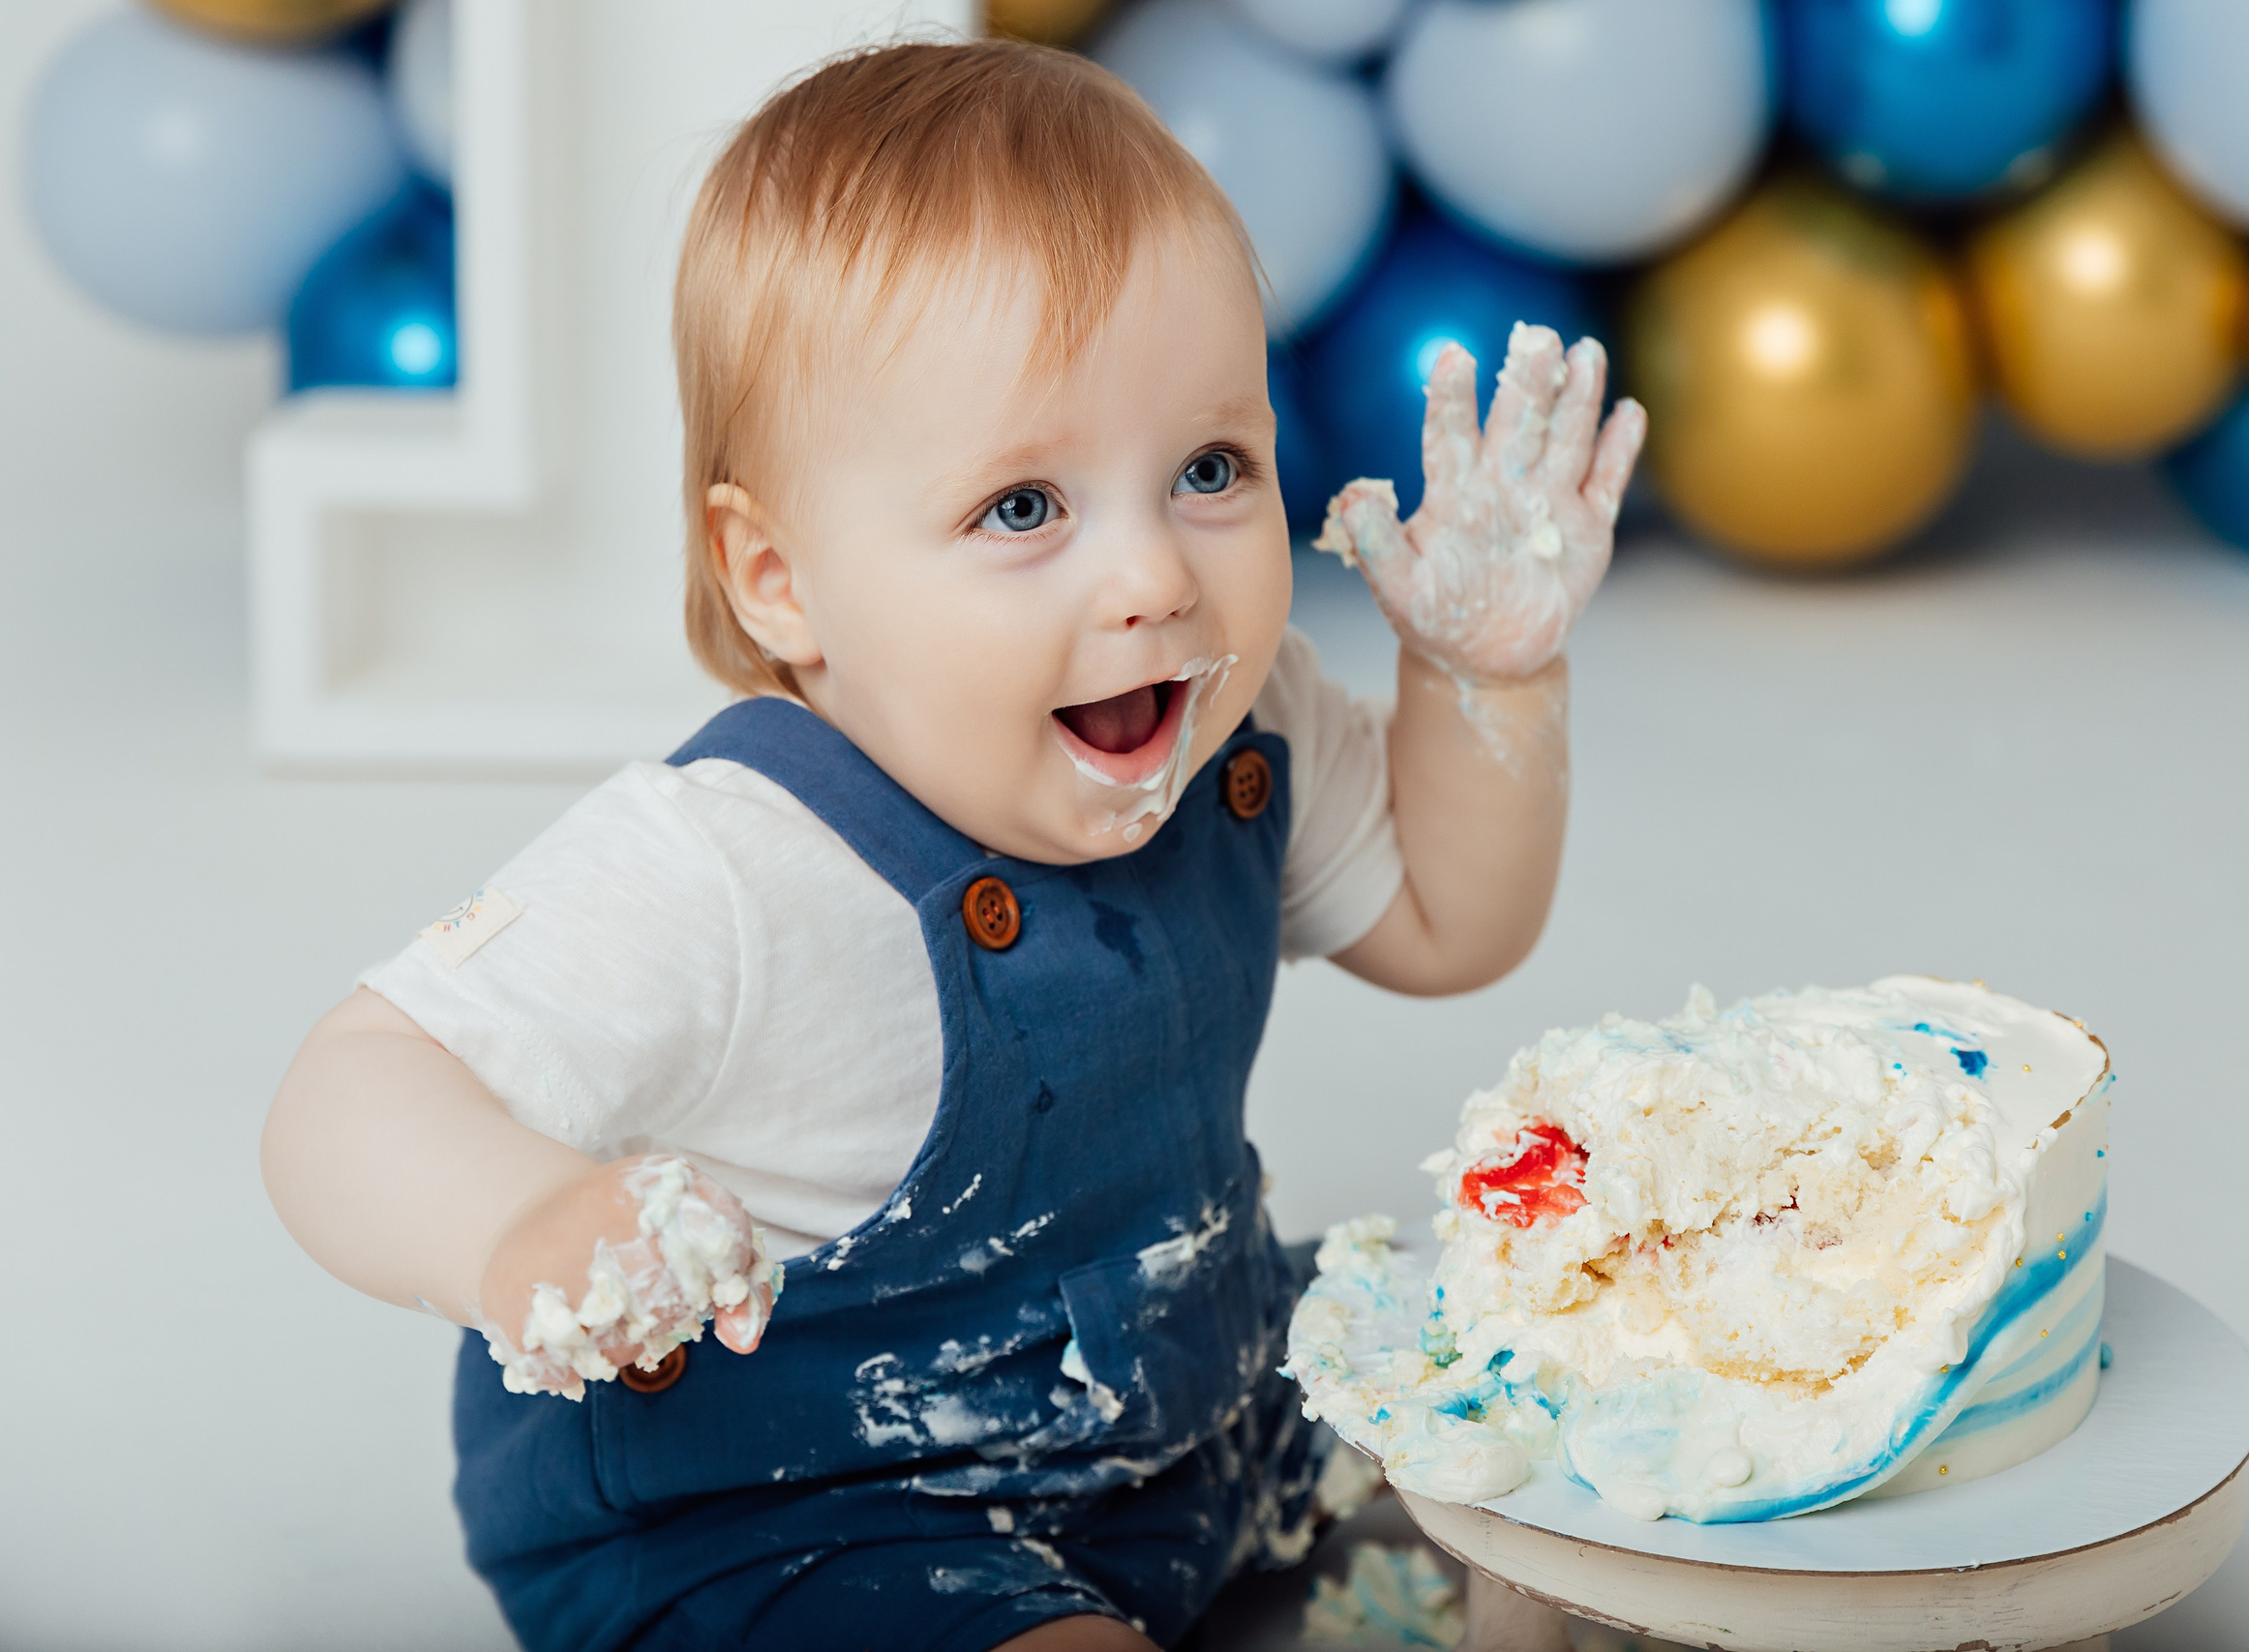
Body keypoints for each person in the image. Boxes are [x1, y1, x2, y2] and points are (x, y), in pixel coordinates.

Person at [260, 36, 1642, 1652]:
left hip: (1177, 1395)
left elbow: (1448, 925)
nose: (1152, 581)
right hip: (789, 1516)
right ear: (778, 575)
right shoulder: (734, 874)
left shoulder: (1238, 723)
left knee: (1564, 1362)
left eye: (1209, 469)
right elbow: (346, 1094)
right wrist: (513, 1227)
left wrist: (1492, 679)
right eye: (1022, 510)